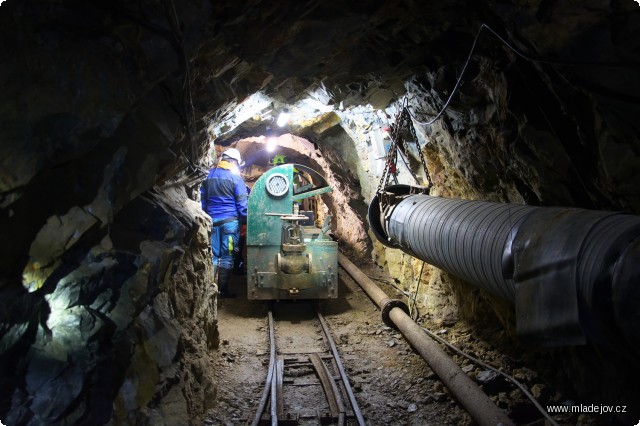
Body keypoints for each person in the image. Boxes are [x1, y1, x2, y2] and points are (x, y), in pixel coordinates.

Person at [201, 147, 248, 298]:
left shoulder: (209, 175)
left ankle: (209, 289)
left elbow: (202, 201)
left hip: (211, 222)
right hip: (230, 224)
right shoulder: (236, 178)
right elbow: (242, 204)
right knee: (227, 256)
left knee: (213, 256)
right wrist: (247, 219)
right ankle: (223, 291)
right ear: (234, 162)